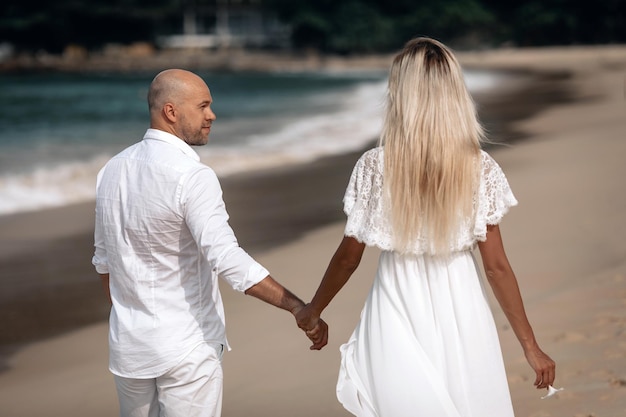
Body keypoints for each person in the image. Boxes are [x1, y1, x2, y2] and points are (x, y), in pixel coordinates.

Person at [296, 37, 556, 416]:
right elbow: (496, 266)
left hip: (397, 304)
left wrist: (313, 310)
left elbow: (349, 258)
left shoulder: (376, 165)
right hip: (462, 306)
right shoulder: (477, 166)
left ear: (400, 94)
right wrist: (530, 347)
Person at [92, 68, 328, 417]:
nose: (211, 115)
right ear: (171, 111)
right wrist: (297, 307)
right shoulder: (192, 176)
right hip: (186, 347)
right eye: (203, 106)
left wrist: (134, 317)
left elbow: (103, 262)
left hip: (130, 348)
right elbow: (226, 258)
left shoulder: (111, 169)